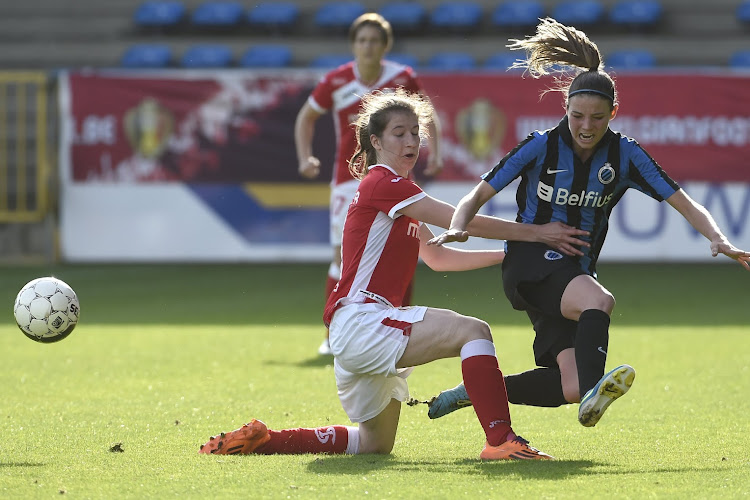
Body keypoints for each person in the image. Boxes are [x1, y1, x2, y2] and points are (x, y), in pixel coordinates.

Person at [199, 88, 591, 460]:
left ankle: (266, 441)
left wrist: (513, 254)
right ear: (375, 141)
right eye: (399, 133)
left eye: (416, 134)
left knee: (373, 444)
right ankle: (501, 440)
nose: (411, 142)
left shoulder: (397, 194)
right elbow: (458, 218)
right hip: (363, 320)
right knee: (474, 331)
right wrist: (537, 234)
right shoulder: (383, 183)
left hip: (357, 330)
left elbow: (439, 259)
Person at [424, 18, 750, 427]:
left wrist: (719, 239)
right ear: (566, 109)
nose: (586, 126)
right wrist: (459, 225)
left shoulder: (626, 155)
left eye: (597, 117)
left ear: (613, 112)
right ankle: (598, 388)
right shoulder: (540, 145)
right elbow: (477, 194)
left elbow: (684, 202)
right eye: (578, 115)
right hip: (529, 263)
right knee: (600, 302)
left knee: (571, 386)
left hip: (572, 273)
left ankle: (475, 392)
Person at [295, 12, 443, 356]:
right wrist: (305, 157)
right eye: (362, 40)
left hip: (395, 183)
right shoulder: (336, 80)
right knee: (341, 258)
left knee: (404, 253)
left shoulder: (402, 77)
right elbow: (306, 116)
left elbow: (427, 114)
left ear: (385, 46)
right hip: (349, 183)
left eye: (375, 40)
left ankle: (400, 325)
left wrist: (435, 151)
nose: (368, 46)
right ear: (354, 45)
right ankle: (333, 335)